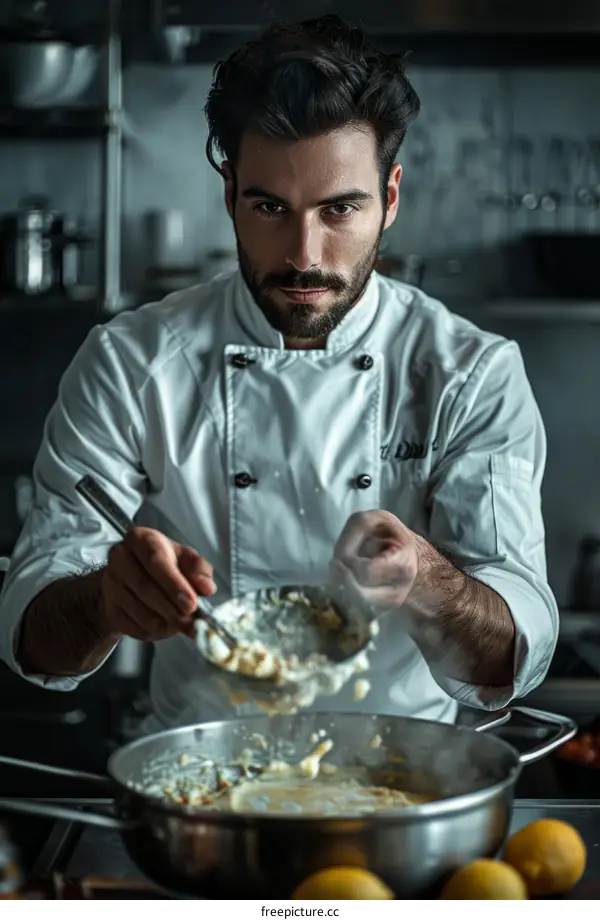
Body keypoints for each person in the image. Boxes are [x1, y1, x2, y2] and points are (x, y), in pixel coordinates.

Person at [0, 15, 558, 731]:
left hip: (400, 782)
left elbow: (511, 657)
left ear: (389, 198)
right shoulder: (131, 361)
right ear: (229, 194)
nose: (303, 255)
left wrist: (424, 577)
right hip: (202, 785)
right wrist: (106, 601)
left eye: (340, 209)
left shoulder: (468, 373)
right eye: (270, 207)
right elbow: (33, 637)